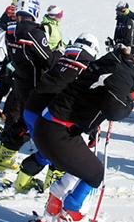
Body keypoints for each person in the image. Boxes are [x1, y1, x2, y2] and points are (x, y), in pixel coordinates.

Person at [34, 46, 134, 222]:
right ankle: (70, 211)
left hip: (50, 125)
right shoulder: (126, 74)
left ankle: (55, 205)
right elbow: (114, 110)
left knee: (84, 165)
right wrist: (131, 100)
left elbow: (98, 90)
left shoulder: (116, 60)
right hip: (57, 131)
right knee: (95, 174)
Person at [12, 34, 99, 193]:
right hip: (49, 115)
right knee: (58, 153)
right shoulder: (88, 66)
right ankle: (52, 186)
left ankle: (21, 181)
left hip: (31, 107)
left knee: (46, 151)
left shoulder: (63, 57)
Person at [0, 0, 55, 172]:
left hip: (19, 81)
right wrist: (61, 57)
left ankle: (1, 157)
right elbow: (48, 59)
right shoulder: (33, 31)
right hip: (34, 86)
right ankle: (40, 166)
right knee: (39, 126)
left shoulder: (12, 29)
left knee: (21, 123)